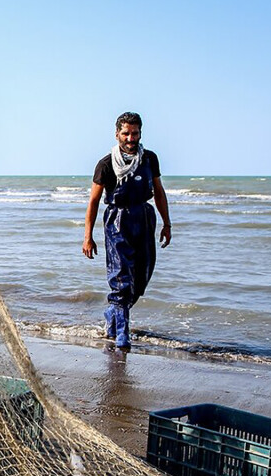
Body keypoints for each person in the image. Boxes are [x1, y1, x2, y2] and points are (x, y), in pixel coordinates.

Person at [82, 112, 170, 351]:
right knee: (121, 279)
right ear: (117, 134)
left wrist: (167, 224)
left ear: (141, 133)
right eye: (126, 133)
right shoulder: (106, 164)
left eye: (135, 133)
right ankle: (122, 333)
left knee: (140, 280)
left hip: (144, 217)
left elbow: (159, 192)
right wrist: (88, 236)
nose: (131, 138)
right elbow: (93, 201)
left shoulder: (149, 159)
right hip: (117, 220)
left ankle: (113, 313)